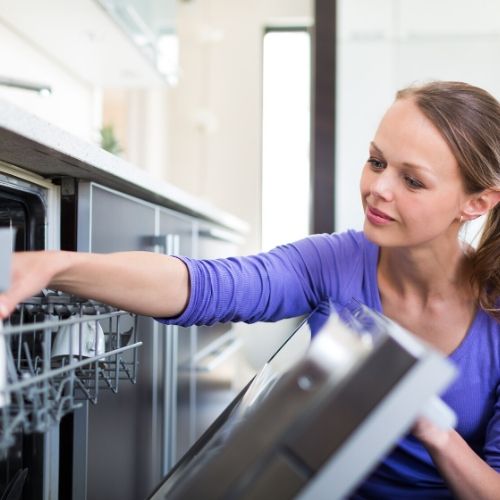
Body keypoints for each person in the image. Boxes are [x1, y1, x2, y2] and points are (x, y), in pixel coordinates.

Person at [0, 80, 499, 498]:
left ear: (476, 202)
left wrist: (431, 426)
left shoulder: (494, 317)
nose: (378, 189)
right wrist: (53, 265)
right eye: (376, 161)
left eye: (412, 181)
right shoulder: (335, 262)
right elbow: (206, 286)